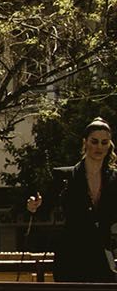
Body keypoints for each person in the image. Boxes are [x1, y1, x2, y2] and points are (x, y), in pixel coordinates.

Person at [29, 117, 117, 281]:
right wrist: (34, 206)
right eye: (94, 141)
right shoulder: (65, 176)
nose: (99, 147)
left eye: (104, 143)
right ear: (85, 142)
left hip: (103, 257)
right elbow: (43, 209)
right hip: (70, 255)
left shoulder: (114, 179)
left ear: (109, 145)